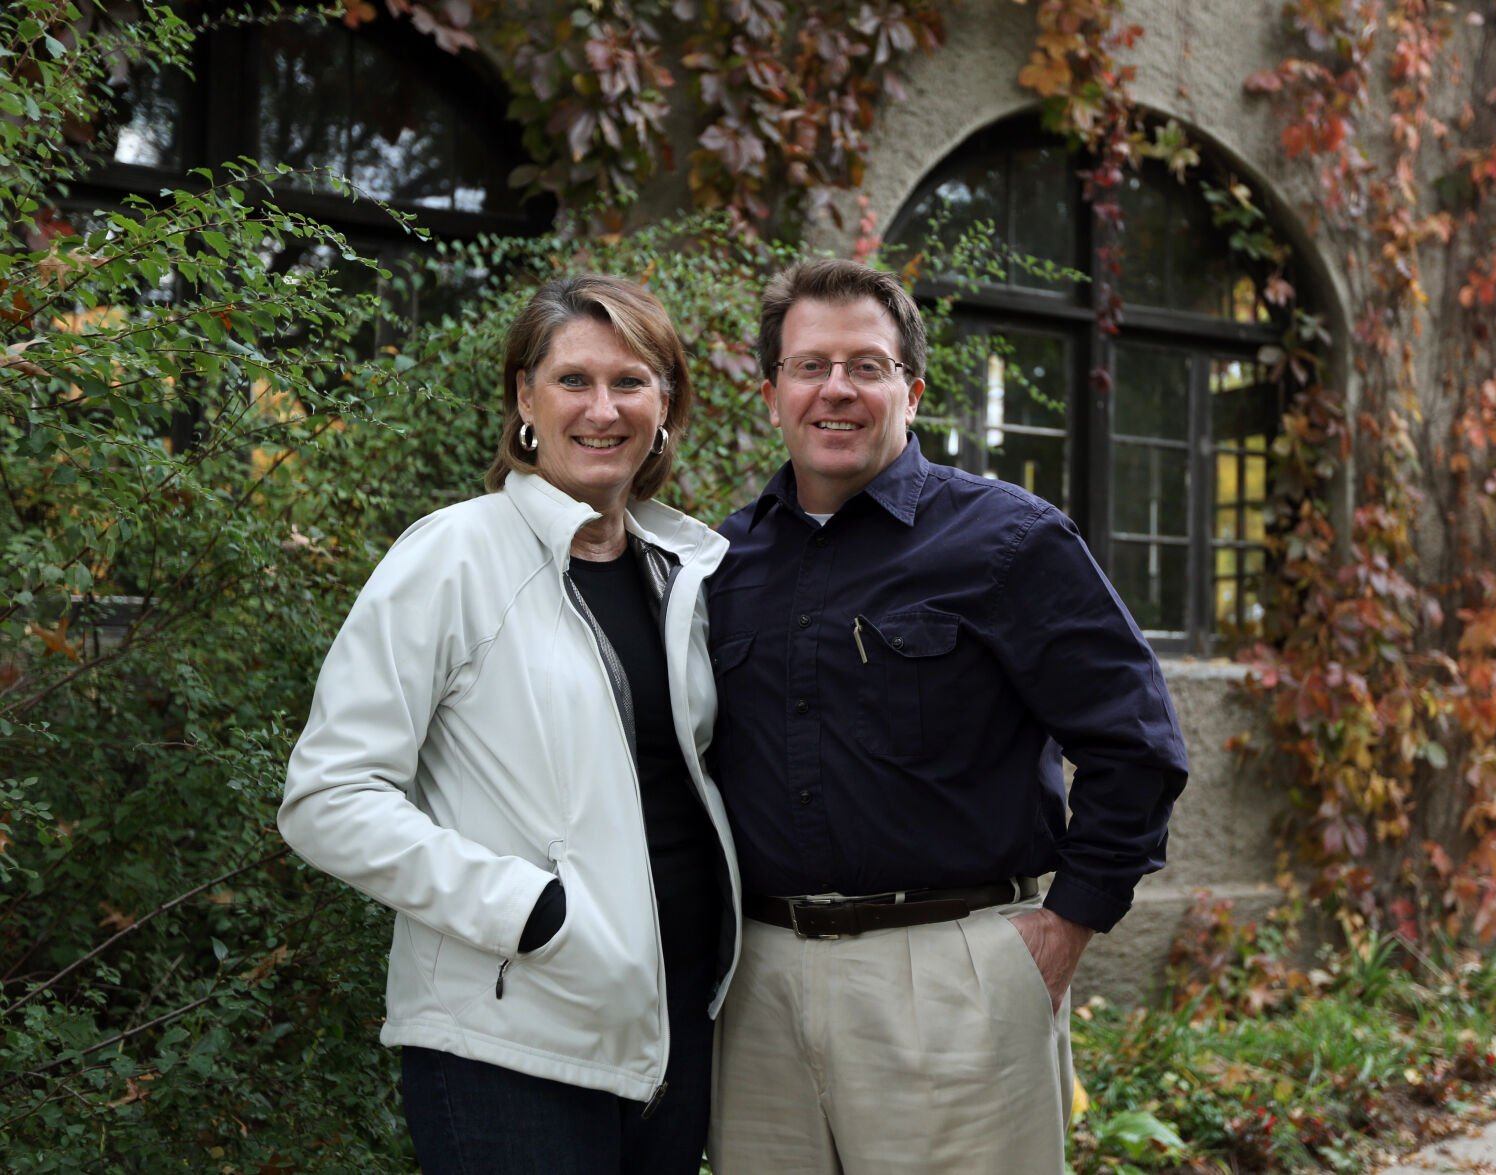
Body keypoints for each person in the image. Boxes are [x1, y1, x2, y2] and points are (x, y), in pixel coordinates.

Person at [705, 258, 1188, 1173]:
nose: (835, 390)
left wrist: (1069, 923)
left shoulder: (1007, 540)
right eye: (810, 366)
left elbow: (1136, 744)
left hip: (948, 978)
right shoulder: (720, 561)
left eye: (866, 365)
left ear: (911, 390)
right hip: (759, 986)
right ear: (771, 391)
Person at [279, 275, 739, 1174]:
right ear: (523, 398)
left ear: (667, 404)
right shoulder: (454, 554)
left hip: (673, 1026)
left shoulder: (683, 571)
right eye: (573, 380)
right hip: (509, 1038)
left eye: (631, 381)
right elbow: (327, 797)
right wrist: (529, 911)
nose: (602, 409)